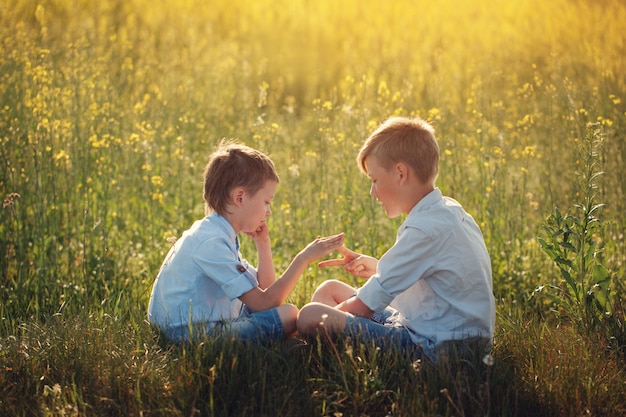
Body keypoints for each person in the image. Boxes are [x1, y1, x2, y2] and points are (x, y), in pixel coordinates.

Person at [297, 116, 496, 362]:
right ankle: (330, 357)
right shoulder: (448, 211)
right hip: (440, 331)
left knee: (310, 316)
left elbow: (365, 306)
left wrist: (323, 320)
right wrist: (378, 268)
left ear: (401, 173)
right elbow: (430, 281)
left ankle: (310, 354)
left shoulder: (423, 229)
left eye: (374, 180)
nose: (372, 192)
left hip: (432, 349)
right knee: (329, 288)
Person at [148, 141, 344, 344]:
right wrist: (303, 259)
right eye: (267, 201)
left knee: (282, 314)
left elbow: (265, 290)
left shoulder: (218, 232)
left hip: (201, 326)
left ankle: (285, 346)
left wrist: (263, 244)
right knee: (288, 314)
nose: (268, 211)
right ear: (240, 197)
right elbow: (264, 303)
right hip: (190, 337)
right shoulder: (211, 242)